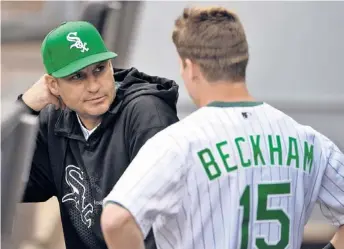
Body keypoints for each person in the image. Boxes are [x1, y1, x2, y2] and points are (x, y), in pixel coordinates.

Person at [100, 6, 344, 249]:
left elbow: (116, 220)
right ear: (241, 60)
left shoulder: (178, 144)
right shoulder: (308, 141)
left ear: (191, 67)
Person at [18, 21, 180, 249]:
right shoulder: (55, 122)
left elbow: (169, 220)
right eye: (77, 77)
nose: (94, 86)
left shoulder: (146, 116)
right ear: (53, 85)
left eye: (99, 69)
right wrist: (24, 107)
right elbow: (9, 182)